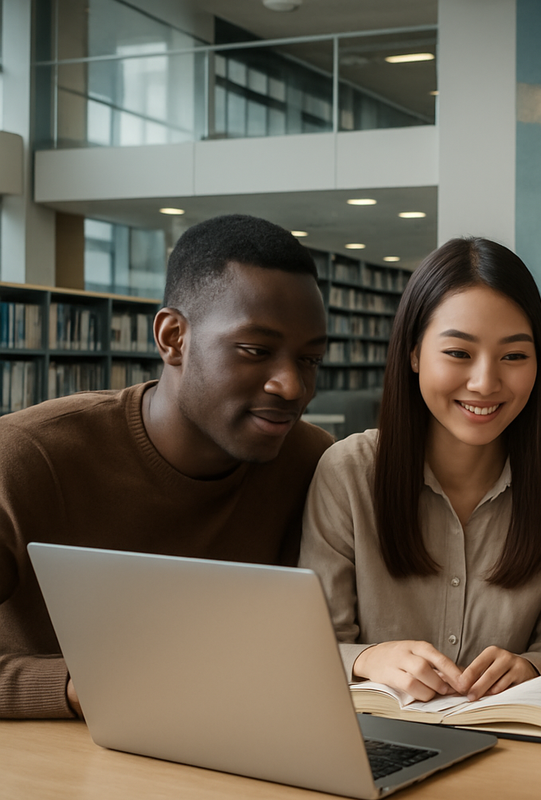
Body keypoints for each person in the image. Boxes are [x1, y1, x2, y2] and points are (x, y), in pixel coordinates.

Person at [0, 214, 334, 719]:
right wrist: (81, 686)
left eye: (309, 360)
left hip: (232, 747)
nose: (292, 387)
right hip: (54, 769)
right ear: (174, 337)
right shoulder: (27, 456)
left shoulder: (311, 462)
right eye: (255, 350)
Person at [300, 237, 541, 703]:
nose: (484, 382)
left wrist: (532, 665)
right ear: (414, 354)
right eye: (459, 353)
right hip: (377, 744)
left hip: (515, 746)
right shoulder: (348, 472)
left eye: (514, 356)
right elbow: (312, 643)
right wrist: (366, 658)